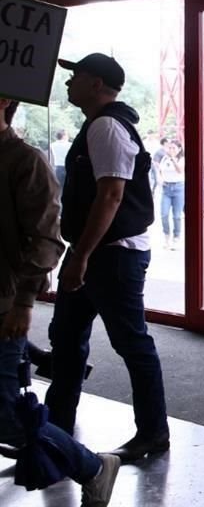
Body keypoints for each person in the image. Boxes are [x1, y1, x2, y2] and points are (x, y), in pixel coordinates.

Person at [46, 53, 170, 465]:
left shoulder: (107, 127)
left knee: (131, 343)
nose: (68, 84)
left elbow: (112, 195)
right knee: (65, 339)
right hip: (96, 254)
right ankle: (55, 429)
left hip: (111, 257)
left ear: (97, 83)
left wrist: (80, 256)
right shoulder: (99, 125)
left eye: (75, 77)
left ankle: (153, 432)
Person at [0, 96, 121, 506]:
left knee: (5, 414)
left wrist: (23, 301)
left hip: (3, 306)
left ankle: (92, 466)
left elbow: (47, 238)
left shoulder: (24, 161)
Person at [157, 138, 185, 250]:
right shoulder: (164, 158)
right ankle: (166, 236)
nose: (171, 150)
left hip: (178, 187)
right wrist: (160, 179)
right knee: (164, 214)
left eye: (174, 148)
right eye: (170, 148)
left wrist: (173, 159)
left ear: (179, 149)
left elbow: (180, 171)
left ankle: (176, 237)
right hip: (166, 188)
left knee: (177, 215)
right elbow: (160, 171)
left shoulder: (181, 159)